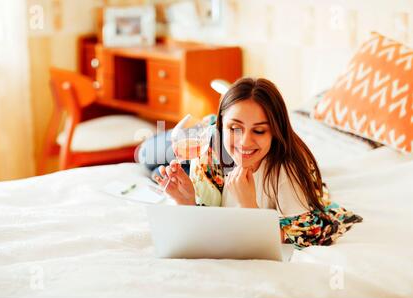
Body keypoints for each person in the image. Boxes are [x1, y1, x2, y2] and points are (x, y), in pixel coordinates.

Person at [154, 78, 362, 248]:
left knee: (156, 162)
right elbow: (209, 217)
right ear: (222, 126)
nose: (245, 141)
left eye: (259, 130)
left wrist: (249, 206)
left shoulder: (286, 172)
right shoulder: (208, 148)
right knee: (148, 154)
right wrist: (187, 201)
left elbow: (311, 232)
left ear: (275, 132)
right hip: (202, 137)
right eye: (235, 128)